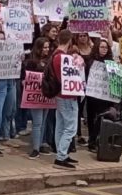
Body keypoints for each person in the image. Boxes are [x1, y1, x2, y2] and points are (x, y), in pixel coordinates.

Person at [49, 29, 80, 170]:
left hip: (60, 95)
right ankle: (61, 157)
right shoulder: (63, 57)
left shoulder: (55, 55)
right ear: (69, 41)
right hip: (68, 95)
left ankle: (62, 153)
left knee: (61, 126)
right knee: (70, 127)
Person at [24, 37, 52, 159]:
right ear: (39, 48)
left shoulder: (49, 60)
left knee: (43, 122)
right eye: (44, 47)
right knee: (37, 122)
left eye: (48, 47)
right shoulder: (31, 62)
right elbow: (26, 77)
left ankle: (40, 145)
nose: (47, 49)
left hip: (46, 96)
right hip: (35, 96)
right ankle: (35, 148)